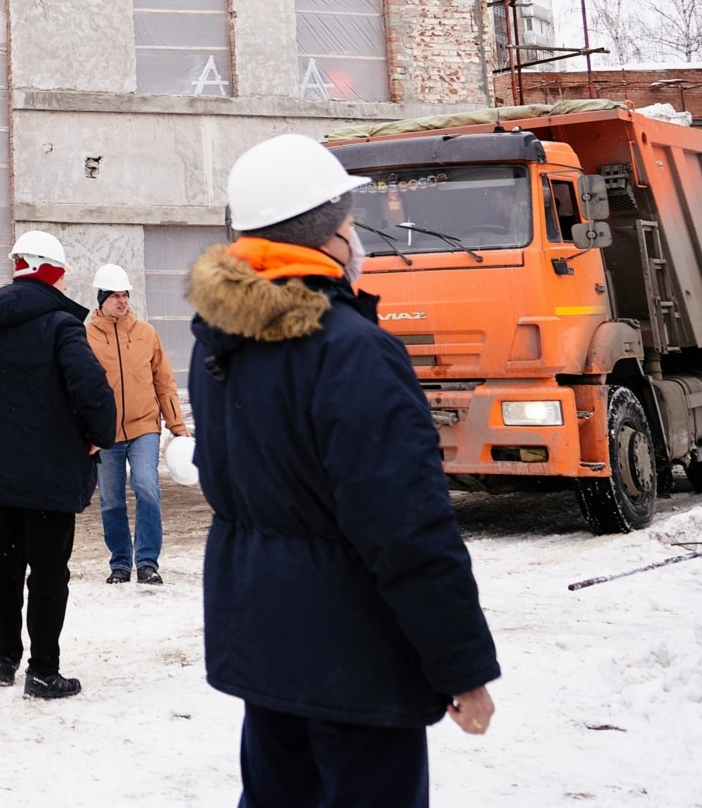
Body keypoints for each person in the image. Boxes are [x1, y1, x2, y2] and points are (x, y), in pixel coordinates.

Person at [188, 134, 500, 807]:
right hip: (354, 658)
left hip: (264, 640)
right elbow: (406, 524)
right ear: (327, 234)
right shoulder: (353, 349)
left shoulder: (218, 339)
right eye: (351, 219)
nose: (357, 236)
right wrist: (462, 666)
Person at [0, 230, 117, 700]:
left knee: (3, 565)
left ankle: (5, 661)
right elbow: (94, 391)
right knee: (47, 570)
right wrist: (98, 439)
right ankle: (43, 671)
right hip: (50, 474)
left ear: (18, 267)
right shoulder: (62, 327)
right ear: (56, 272)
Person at [85, 261, 189, 586]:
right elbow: (77, 387)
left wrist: (177, 425)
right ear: (101, 299)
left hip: (145, 426)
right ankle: (120, 564)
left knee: (146, 486)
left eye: (125, 294)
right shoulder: (84, 337)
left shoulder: (146, 334)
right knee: (111, 499)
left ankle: (147, 562)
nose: (122, 300)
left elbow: (165, 382)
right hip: (105, 432)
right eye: (115, 295)